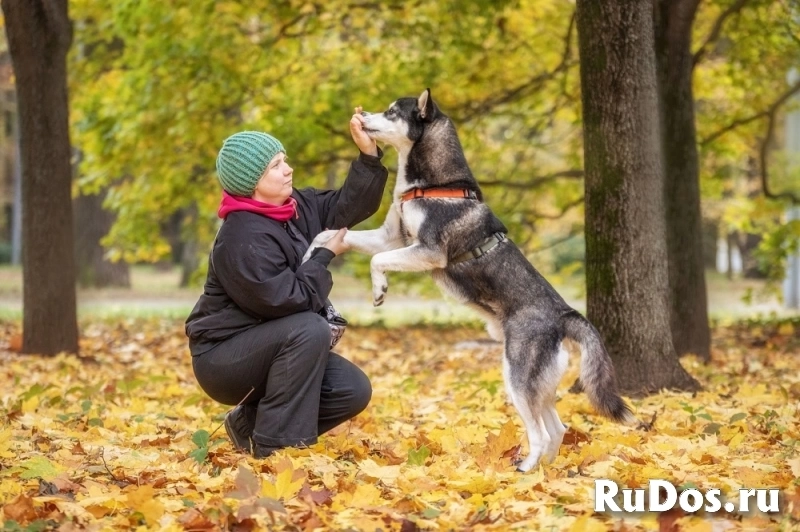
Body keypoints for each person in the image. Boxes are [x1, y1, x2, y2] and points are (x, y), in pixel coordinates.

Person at [185, 108, 388, 458]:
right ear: (252, 182)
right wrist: (324, 255)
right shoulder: (241, 237)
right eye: (276, 165)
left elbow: (346, 206)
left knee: (351, 389)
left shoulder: (295, 208)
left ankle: (248, 425)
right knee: (308, 328)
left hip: (272, 345)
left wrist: (367, 154)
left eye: (285, 160)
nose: (288, 169)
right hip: (223, 358)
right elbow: (288, 300)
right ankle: (279, 451)